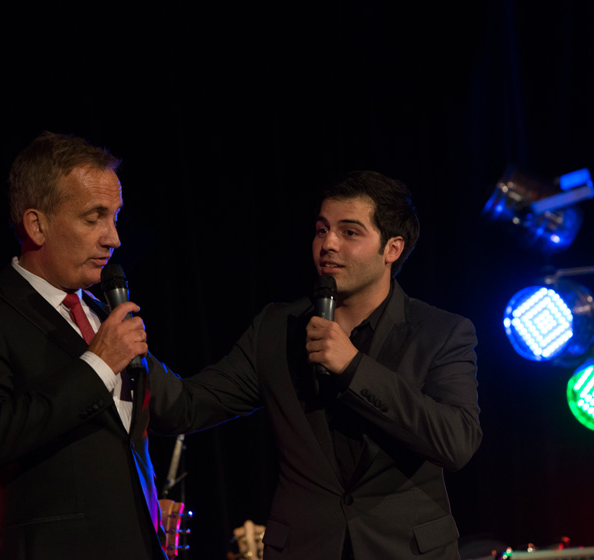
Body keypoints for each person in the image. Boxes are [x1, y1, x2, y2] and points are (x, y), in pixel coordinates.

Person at [167, 170, 482, 559]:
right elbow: (187, 404)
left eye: (349, 232)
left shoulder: (441, 332)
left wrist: (353, 367)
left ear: (392, 249)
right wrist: (121, 355)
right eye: (322, 230)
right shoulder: (277, 328)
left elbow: (457, 442)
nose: (328, 244)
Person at [0, 131, 187, 560]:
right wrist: (98, 364)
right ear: (37, 225)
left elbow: (183, 406)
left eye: (115, 217)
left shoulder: (101, 313)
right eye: (94, 218)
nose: (114, 238)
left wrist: (272, 349)